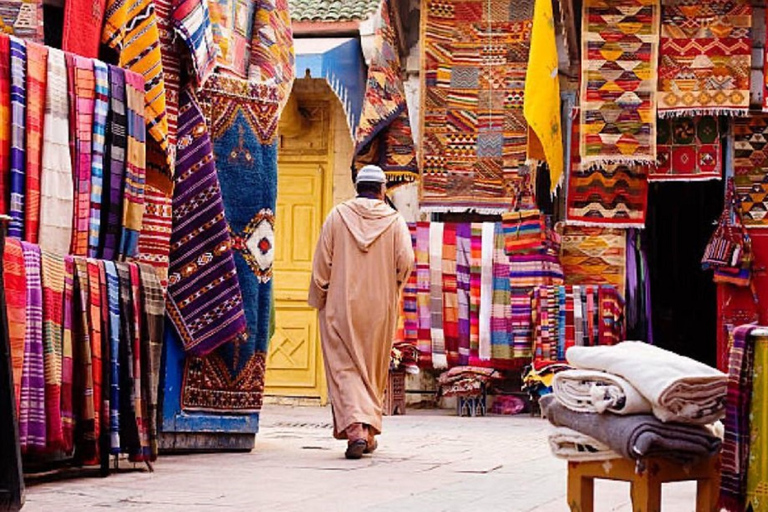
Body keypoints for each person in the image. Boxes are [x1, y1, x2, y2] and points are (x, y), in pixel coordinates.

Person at [308, 165, 415, 459]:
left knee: (344, 368)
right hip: (379, 307)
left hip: (340, 306)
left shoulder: (336, 217)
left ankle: (355, 429)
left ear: (357, 187)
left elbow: (322, 267)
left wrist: (319, 298)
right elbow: (405, 262)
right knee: (371, 369)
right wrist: (392, 288)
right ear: (382, 190)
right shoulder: (395, 222)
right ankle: (366, 432)